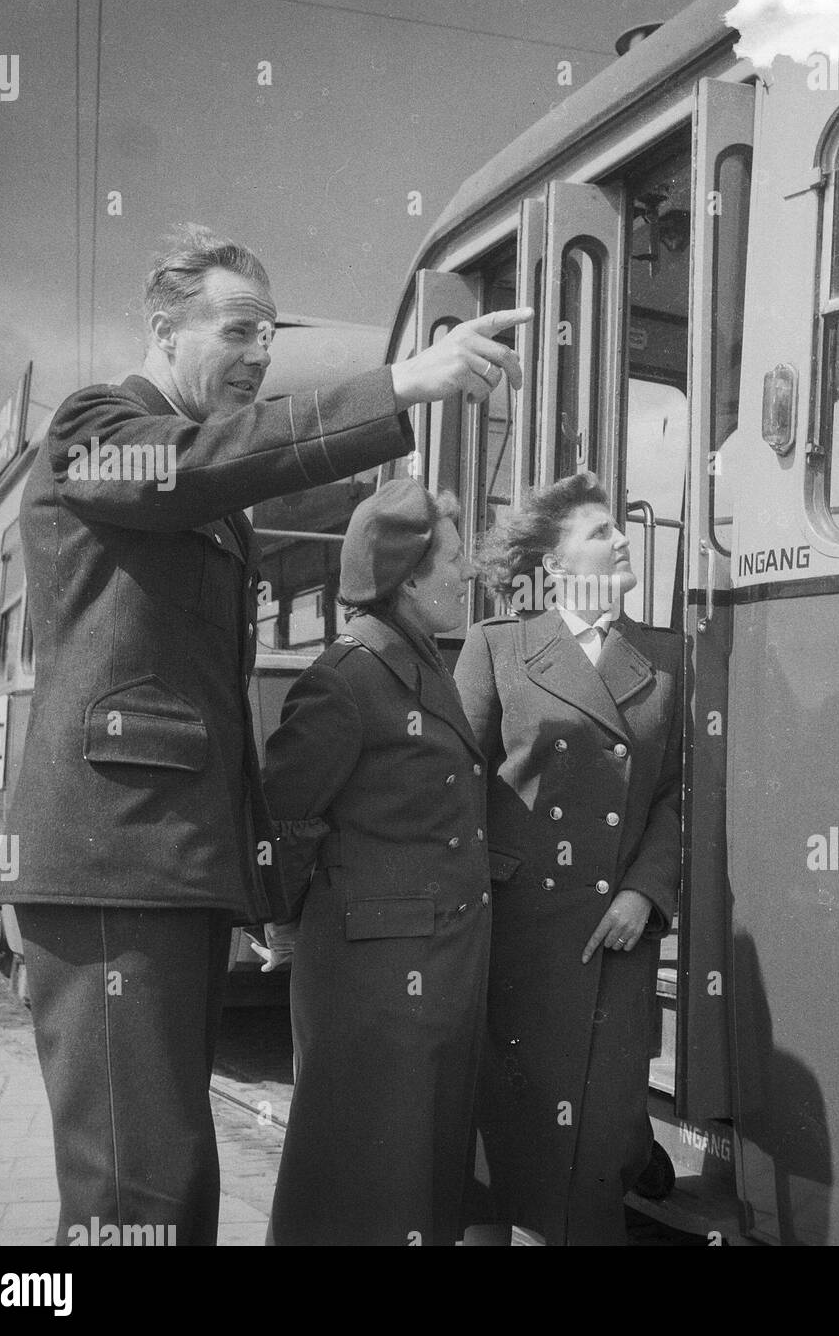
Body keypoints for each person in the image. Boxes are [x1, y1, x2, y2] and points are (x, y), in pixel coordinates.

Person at [0, 224, 530, 1246]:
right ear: (161, 327)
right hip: (118, 863)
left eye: (269, 338)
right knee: (138, 1193)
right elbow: (199, 467)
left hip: (172, 868)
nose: (258, 355)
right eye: (239, 330)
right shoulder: (97, 426)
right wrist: (400, 385)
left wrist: (258, 880)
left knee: (173, 1178)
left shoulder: (206, 493)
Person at [454, 471, 683, 1246]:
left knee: (594, 1147)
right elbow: (456, 787)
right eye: (598, 532)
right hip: (514, 938)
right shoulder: (498, 647)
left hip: (612, 940)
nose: (622, 539)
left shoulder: (666, 658)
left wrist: (645, 892)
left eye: (621, 529)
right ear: (554, 565)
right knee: (496, 1150)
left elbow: (677, 799)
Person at [260, 479, 490, 1246]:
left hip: (418, 983)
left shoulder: (413, 661)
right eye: (454, 561)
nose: (469, 575)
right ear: (409, 578)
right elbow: (282, 811)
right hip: (374, 990)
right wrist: (286, 921)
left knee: (404, 1195)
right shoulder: (349, 675)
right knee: (364, 1192)